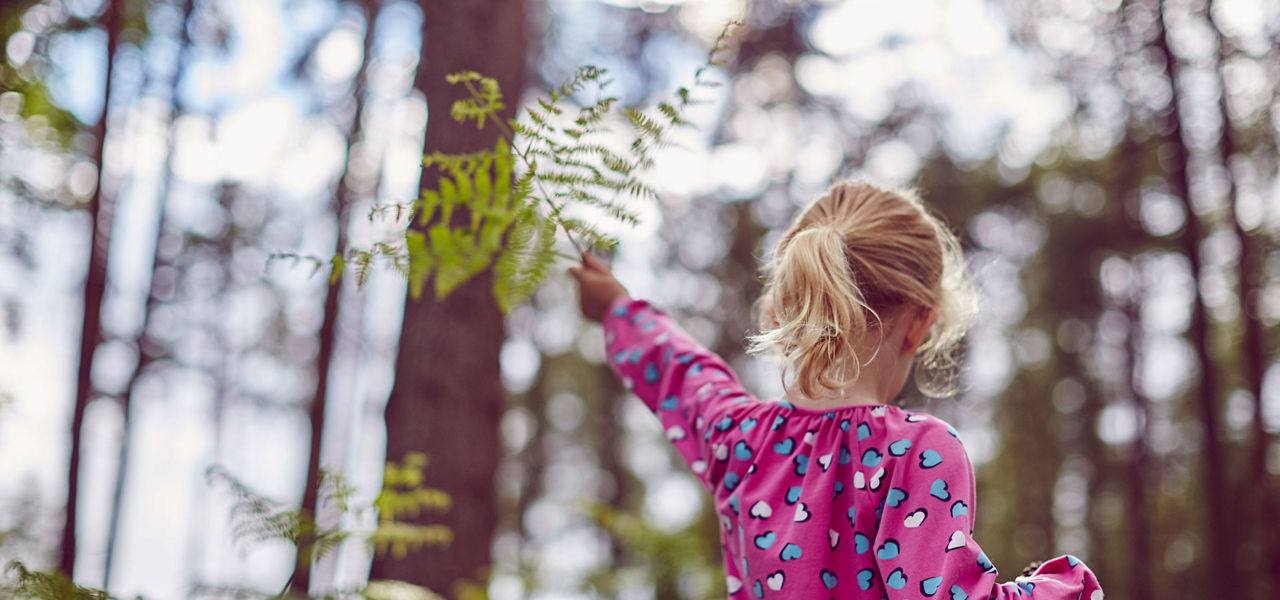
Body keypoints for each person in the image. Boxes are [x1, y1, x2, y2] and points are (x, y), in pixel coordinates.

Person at [569, 181, 1103, 599]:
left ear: (780, 308)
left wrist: (618, 307)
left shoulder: (740, 440)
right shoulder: (917, 453)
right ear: (919, 325)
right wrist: (1066, 587)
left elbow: (678, 371)